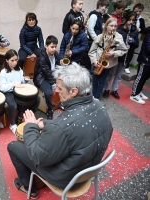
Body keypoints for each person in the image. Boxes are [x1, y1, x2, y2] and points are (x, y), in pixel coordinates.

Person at [7, 63, 113, 198]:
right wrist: (45, 124)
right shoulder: (100, 107)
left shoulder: (62, 127)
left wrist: (30, 126)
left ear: (73, 91)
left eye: (60, 88)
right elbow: (71, 127)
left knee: (13, 147)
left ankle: (28, 187)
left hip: (66, 179)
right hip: (87, 171)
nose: (56, 91)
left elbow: (37, 156)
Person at [0, 49, 40, 134]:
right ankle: (13, 124)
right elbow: (2, 87)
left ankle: (27, 116)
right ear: (7, 60)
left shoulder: (19, 70)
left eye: (16, 60)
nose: (14, 63)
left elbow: (21, 83)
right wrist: (13, 84)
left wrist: (25, 80)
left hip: (19, 90)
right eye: (12, 60)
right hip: (9, 92)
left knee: (37, 99)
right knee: (13, 105)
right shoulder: (3, 72)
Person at [88, 18, 127, 99]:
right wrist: (94, 61)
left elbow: (124, 50)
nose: (113, 28)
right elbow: (92, 51)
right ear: (106, 26)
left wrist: (114, 53)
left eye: (115, 26)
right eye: (111, 26)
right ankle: (93, 95)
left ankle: (96, 97)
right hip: (98, 62)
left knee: (102, 80)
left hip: (109, 63)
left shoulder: (118, 37)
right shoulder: (99, 37)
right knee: (95, 80)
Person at [103, 11, 139, 99]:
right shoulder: (119, 29)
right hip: (116, 56)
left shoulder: (134, 30)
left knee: (119, 75)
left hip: (126, 56)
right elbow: (112, 42)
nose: (131, 22)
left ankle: (114, 89)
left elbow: (137, 44)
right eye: (129, 20)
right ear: (125, 19)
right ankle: (107, 89)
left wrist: (133, 42)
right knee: (111, 74)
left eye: (133, 20)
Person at [34, 35, 60, 120]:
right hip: (41, 78)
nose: (54, 49)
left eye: (55, 47)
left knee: (65, 83)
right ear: (46, 46)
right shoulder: (42, 57)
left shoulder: (55, 54)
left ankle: (60, 102)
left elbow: (58, 66)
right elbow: (47, 73)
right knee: (48, 92)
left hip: (51, 75)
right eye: (52, 47)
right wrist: (53, 84)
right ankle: (50, 110)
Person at [130, 26, 150, 104]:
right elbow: (148, 49)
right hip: (145, 60)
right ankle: (134, 95)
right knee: (140, 77)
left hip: (148, 61)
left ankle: (139, 92)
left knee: (145, 78)